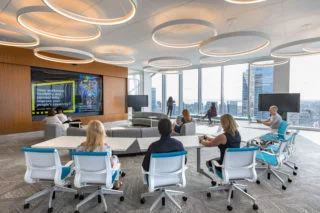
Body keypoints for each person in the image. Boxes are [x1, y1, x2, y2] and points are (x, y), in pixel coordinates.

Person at [76, 120, 124, 189]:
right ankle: (117, 183)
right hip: (104, 177)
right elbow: (112, 165)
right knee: (115, 159)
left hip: (85, 176)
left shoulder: (80, 148)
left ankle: (118, 180)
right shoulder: (106, 148)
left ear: (88, 133)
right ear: (102, 133)